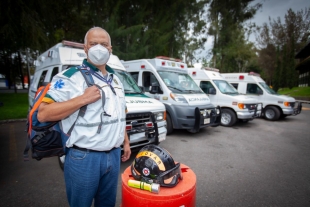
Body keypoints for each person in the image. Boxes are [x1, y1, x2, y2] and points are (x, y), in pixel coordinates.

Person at [37, 27, 131, 207]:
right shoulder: (70, 77)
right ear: (85, 48)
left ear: (110, 49)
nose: (99, 48)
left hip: (113, 156)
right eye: (93, 44)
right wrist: (82, 99)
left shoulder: (116, 79)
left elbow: (120, 113)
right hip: (84, 158)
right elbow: (43, 113)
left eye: (103, 44)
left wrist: (125, 141)